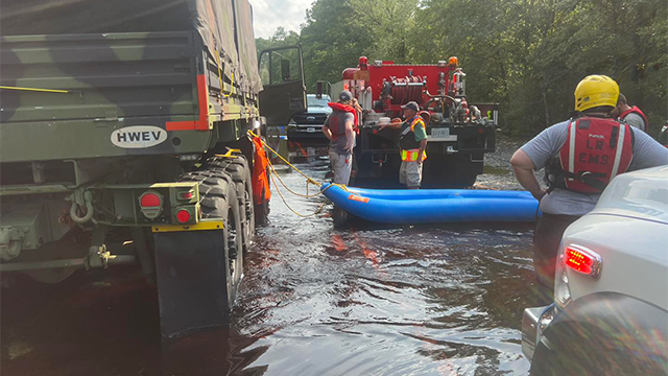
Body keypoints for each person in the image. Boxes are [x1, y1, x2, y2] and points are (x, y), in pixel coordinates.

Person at [510, 75, 668, 305]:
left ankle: (547, 327)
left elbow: (519, 161)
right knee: (596, 289)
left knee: (548, 285)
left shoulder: (561, 131)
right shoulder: (633, 136)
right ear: (613, 101)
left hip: (557, 220)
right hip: (605, 222)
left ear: (580, 100)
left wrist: (539, 194)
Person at [379, 101, 428, 189]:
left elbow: (424, 139)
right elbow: (399, 125)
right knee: (405, 177)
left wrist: (420, 155)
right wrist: (387, 125)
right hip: (407, 157)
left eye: (406, 110)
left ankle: (413, 198)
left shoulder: (417, 123)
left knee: (413, 180)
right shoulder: (409, 122)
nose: (404, 111)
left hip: (414, 158)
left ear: (412, 112)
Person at [322, 90, 357, 185]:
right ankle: (339, 199)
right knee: (342, 182)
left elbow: (324, 128)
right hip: (342, 153)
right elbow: (348, 128)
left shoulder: (333, 114)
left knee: (337, 177)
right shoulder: (348, 114)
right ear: (350, 102)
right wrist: (349, 144)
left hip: (333, 150)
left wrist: (332, 138)